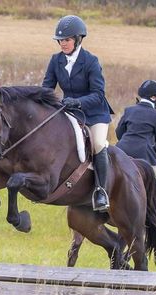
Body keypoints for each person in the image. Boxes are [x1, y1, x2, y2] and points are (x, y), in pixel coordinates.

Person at [42, 15, 114, 212]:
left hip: (95, 113)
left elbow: (99, 95)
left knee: (98, 144)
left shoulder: (90, 61)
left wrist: (77, 102)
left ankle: (101, 191)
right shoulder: (55, 60)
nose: (62, 44)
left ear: (78, 39)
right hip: (71, 112)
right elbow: (47, 88)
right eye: (60, 40)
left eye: (66, 40)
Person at [115, 80, 156, 199]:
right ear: (154, 98)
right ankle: (153, 209)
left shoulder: (129, 110)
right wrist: (154, 150)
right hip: (144, 153)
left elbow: (119, 132)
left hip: (121, 150)